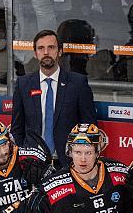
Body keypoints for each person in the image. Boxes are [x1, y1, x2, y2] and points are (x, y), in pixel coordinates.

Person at [11, 30, 97, 167]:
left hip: (68, 163)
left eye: (51, 47)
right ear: (35, 53)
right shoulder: (23, 84)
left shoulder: (78, 83)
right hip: (32, 163)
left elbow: (89, 127)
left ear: (60, 51)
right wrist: (22, 158)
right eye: (41, 48)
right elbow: (17, 128)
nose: (46, 52)